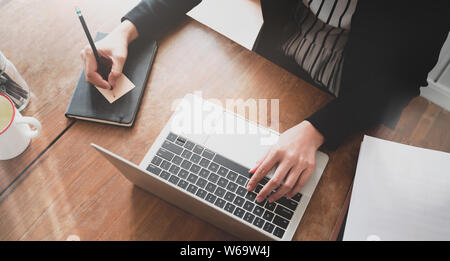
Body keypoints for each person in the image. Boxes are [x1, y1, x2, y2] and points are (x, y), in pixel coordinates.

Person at [80, 0, 449, 203]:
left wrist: (318, 129)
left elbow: (404, 82)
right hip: (275, 64)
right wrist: (126, 30)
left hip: (351, 102)